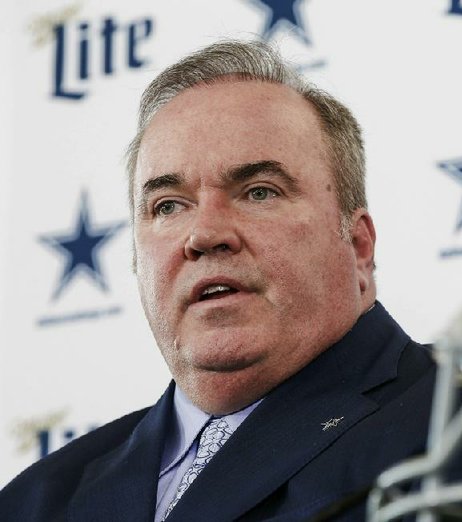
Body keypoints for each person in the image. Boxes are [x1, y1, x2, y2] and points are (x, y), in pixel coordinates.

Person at [0, 40, 436, 521]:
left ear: (358, 248)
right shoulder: (35, 502)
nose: (204, 234)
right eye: (168, 205)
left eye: (258, 192)